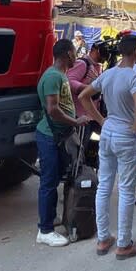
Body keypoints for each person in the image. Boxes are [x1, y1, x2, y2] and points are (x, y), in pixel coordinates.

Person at [78, 34, 136, 260]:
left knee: (105, 185)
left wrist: (100, 120)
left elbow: (83, 95)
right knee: (127, 190)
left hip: (108, 133)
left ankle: (103, 238)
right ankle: (124, 243)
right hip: (126, 135)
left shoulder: (107, 74)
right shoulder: (135, 78)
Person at [35, 39, 92, 247]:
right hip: (50, 137)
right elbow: (53, 109)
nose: (76, 55)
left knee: (56, 177)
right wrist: (75, 121)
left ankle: (50, 218)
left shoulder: (60, 76)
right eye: (74, 51)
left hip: (58, 137)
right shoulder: (52, 77)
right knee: (49, 182)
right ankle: (45, 230)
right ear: (68, 53)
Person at [68, 40, 107, 119]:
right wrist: (89, 89)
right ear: (95, 50)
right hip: (79, 115)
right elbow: (69, 81)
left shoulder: (98, 67)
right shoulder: (82, 63)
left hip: (90, 115)